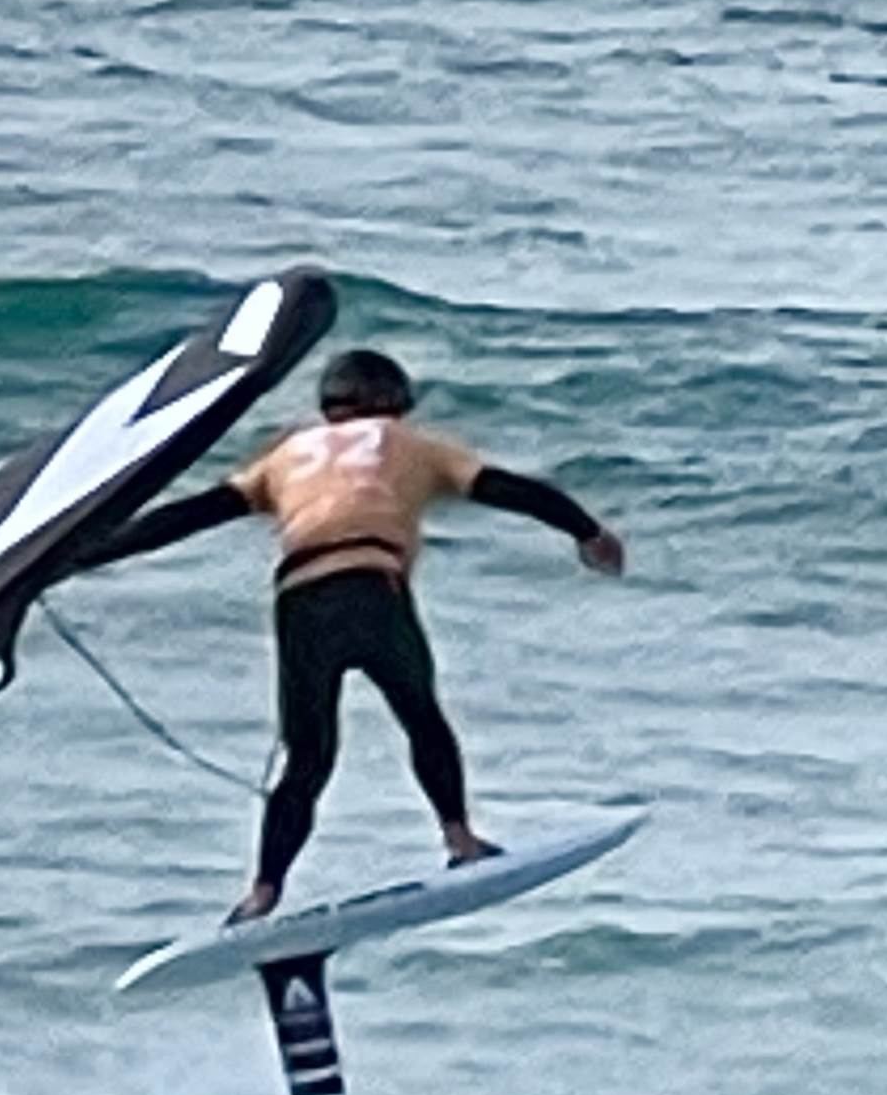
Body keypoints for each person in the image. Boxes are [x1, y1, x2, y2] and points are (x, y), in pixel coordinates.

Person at [71, 347, 624, 921]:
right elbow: (509, 489)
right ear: (392, 401)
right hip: (371, 588)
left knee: (307, 760)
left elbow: (190, 514)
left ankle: (263, 892)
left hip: (302, 601)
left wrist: (85, 555)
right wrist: (588, 531)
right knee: (422, 718)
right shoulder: (412, 443)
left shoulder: (285, 456)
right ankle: (460, 840)